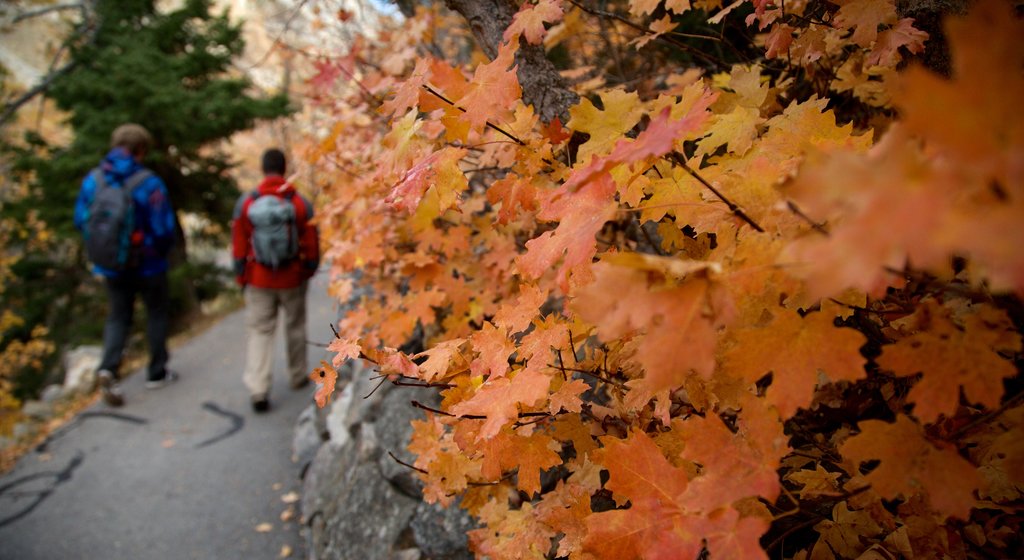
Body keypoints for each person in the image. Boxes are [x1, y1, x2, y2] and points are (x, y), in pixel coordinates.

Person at [74, 123, 178, 407]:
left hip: (112, 266)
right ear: (141, 149)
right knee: (156, 313)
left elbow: (82, 219)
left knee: (118, 316)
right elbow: (163, 227)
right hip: (149, 264)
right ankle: (157, 372)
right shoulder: (149, 182)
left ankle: (108, 368)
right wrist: (159, 251)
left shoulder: (94, 180)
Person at [232, 149, 319, 413]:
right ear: (284, 168)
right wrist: (307, 270)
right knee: (295, 326)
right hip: (292, 277)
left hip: (259, 279)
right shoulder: (299, 202)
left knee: (260, 330)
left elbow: (238, 243)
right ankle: (297, 375)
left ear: (262, 168)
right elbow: (312, 243)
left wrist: (241, 276)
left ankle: (259, 387)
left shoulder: (246, 203)